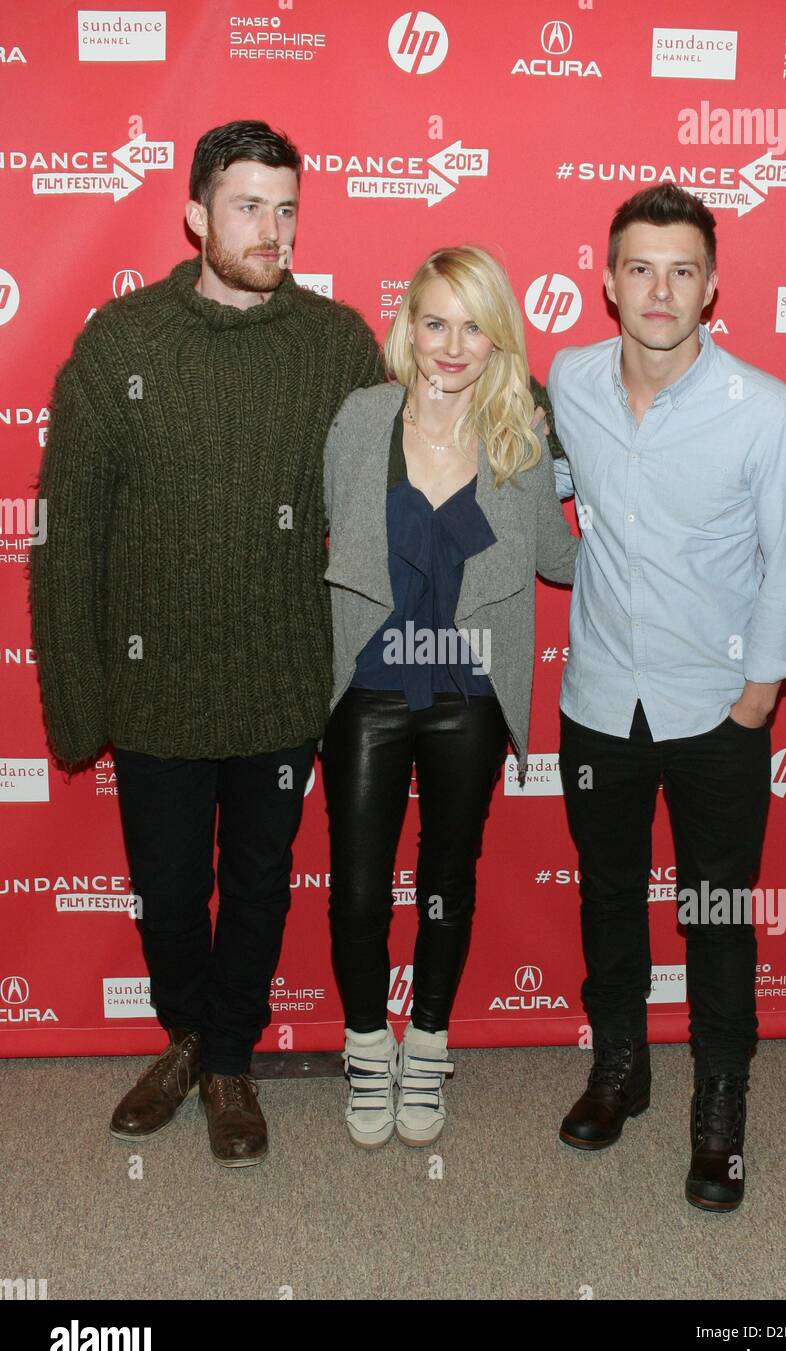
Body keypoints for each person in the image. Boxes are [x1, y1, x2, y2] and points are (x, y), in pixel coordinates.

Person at [29, 120, 385, 1168]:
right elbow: (69, 538)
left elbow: (394, 483)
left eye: (285, 208)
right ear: (195, 214)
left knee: (263, 884)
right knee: (172, 890)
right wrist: (76, 702)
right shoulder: (120, 343)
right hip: (153, 689)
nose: (269, 229)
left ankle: (229, 1057)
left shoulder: (335, 343)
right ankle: (188, 1034)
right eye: (246, 205)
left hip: (282, 682)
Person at [548, 183, 786, 1211]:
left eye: (681, 269)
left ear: (711, 284)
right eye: (638, 267)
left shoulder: (768, 410)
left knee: (713, 913)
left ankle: (720, 1102)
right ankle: (621, 1066)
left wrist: (754, 700)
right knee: (609, 895)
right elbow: (558, 488)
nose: (658, 289)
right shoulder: (569, 380)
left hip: (716, 711)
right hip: (598, 700)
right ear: (607, 278)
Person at [321, 245, 579, 1148]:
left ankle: (427, 1041)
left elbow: (555, 558)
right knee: (357, 888)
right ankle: (365, 1042)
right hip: (370, 682)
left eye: (475, 324)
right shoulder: (360, 420)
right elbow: (326, 535)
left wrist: (651, 527)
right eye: (437, 321)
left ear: (499, 335)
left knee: (446, 879)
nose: (454, 344)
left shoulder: (522, 432)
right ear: (410, 327)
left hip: (470, 684)